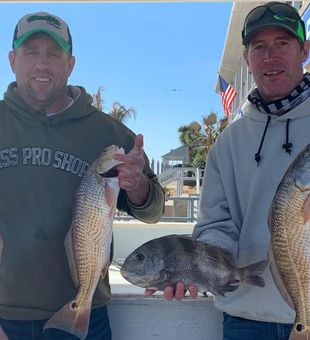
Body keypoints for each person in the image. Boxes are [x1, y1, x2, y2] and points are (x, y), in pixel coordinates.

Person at [146, 2, 310, 339]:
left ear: (304, 50)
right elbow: (217, 224)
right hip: (246, 316)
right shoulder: (228, 143)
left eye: (282, 43)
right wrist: (195, 269)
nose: (270, 56)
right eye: (259, 47)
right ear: (248, 58)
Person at [0, 11, 165, 340]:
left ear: (71, 64)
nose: (42, 65)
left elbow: (154, 210)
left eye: (54, 54)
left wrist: (138, 187)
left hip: (84, 313)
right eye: (31, 52)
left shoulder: (109, 132)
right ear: (13, 59)